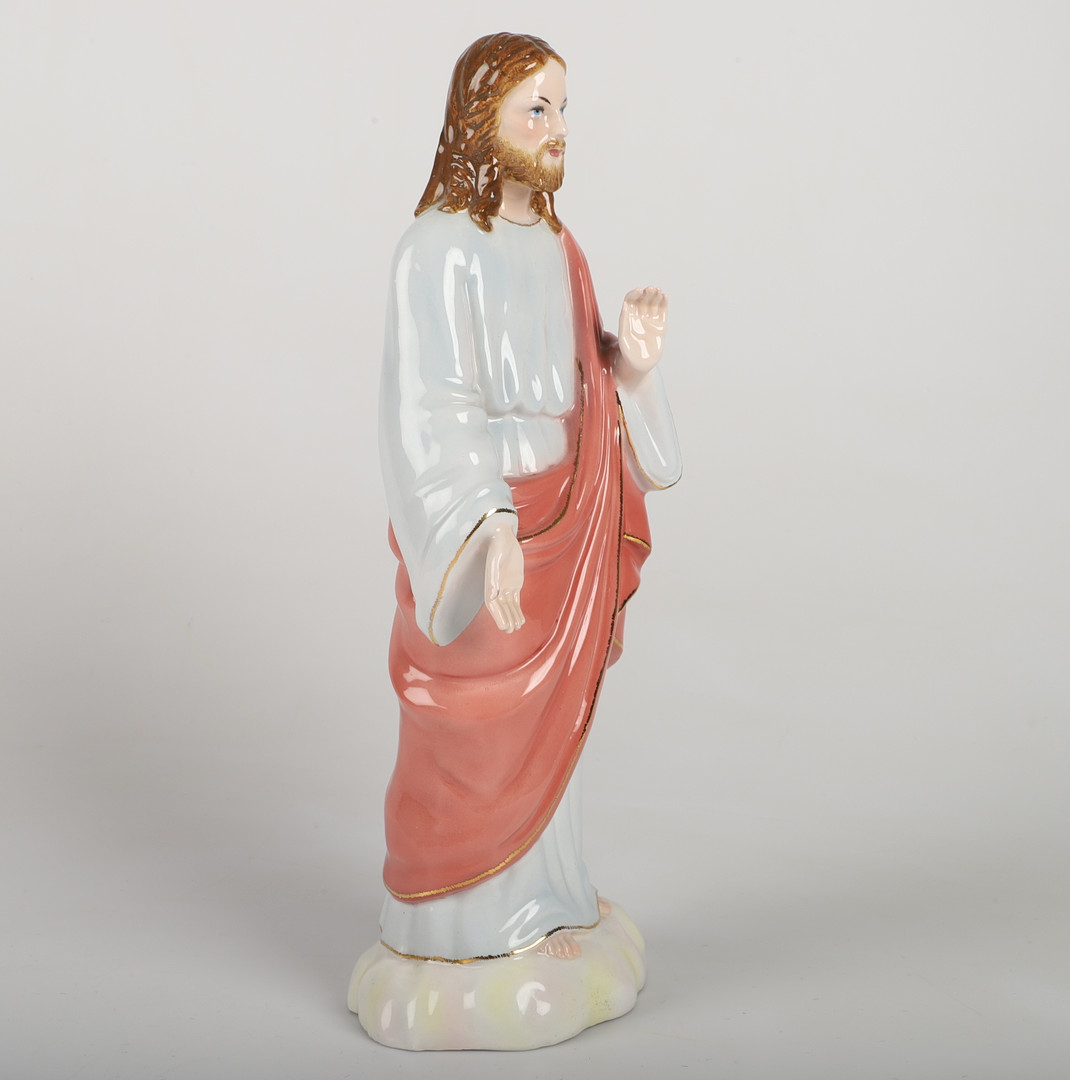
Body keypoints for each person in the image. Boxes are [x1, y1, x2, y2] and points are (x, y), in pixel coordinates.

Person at [349, 32, 681, 1050]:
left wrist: (631, 370)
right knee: (476, 733)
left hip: (565, 523)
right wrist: (485, 523)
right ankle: (459, 928)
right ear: (479, 119)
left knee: (555, 726)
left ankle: (546, 904)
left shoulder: (561, 249)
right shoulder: (437, 249)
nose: (557, 129)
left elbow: (587, 386)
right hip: (486, 524)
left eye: (563, 108)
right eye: (536, 109)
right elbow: (427, 407)